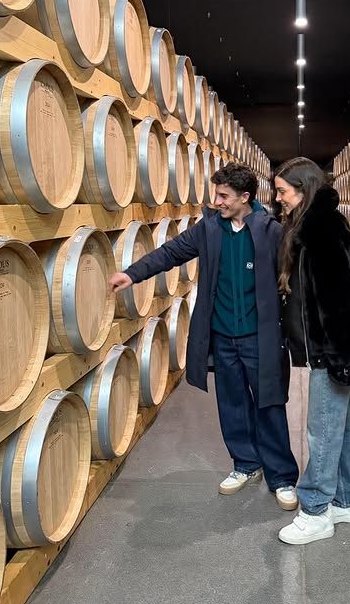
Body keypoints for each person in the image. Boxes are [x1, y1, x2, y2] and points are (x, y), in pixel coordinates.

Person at [109, 163, 299, 511]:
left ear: (245, 197)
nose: (217, 202)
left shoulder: (269, 229)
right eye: (216, 194)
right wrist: (132, 274)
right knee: (232, 402)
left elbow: (292, 274)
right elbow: (170, 253)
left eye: (224, 196)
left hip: (260, 337)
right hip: (223, 334)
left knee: (269, 404)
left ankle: (282, 476)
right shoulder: (209, 229)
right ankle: (245, 464)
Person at [273, 157, 350, 545]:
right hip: (329, 348)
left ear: (304, 188)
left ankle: (316, 510)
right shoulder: (312, 224)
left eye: (283, 191)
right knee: (340, 427)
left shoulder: (321, 227)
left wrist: (340, 355)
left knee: (322, 430)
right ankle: (349, 500)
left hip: (330, 349)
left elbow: (341, 295)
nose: (278, 198)